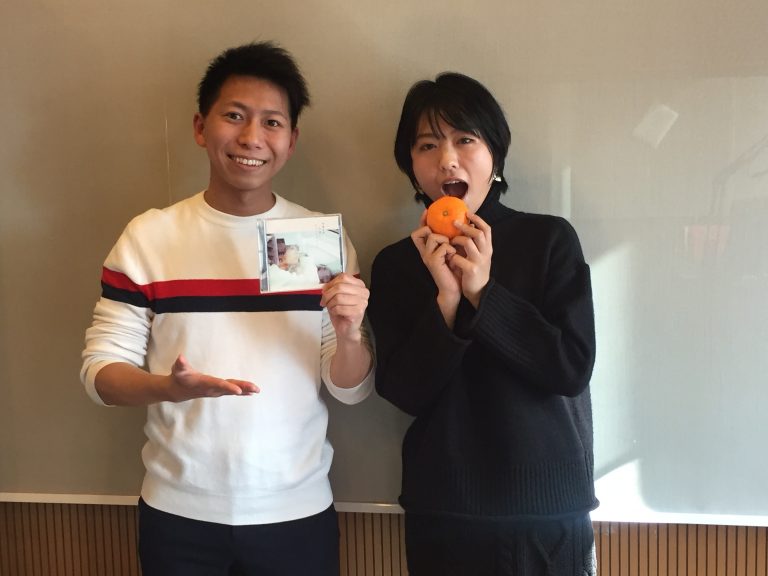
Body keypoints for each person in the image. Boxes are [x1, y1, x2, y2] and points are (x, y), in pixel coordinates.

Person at [80, 41, 374, 576]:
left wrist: (350, 334)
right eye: (234, 116)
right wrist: (168, 388)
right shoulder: (149, 237)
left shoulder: (320, 241)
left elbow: (349, 389)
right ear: (200, 127)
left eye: (272, 122)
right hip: (178, 514)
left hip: (297, 512)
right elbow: (99, 373)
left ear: (291, 141)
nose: (251, 138)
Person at [367, 72, 597, 575]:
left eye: (465, 139)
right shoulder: (396, 263)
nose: (447, 159)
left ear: (496, 156)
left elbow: (570, 368)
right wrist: (447, 301)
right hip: (443, 512)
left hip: (547, 513)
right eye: (427, 145)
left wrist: (482, 292)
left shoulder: (549, 240)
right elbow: (404, 392)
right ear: (412, 167)